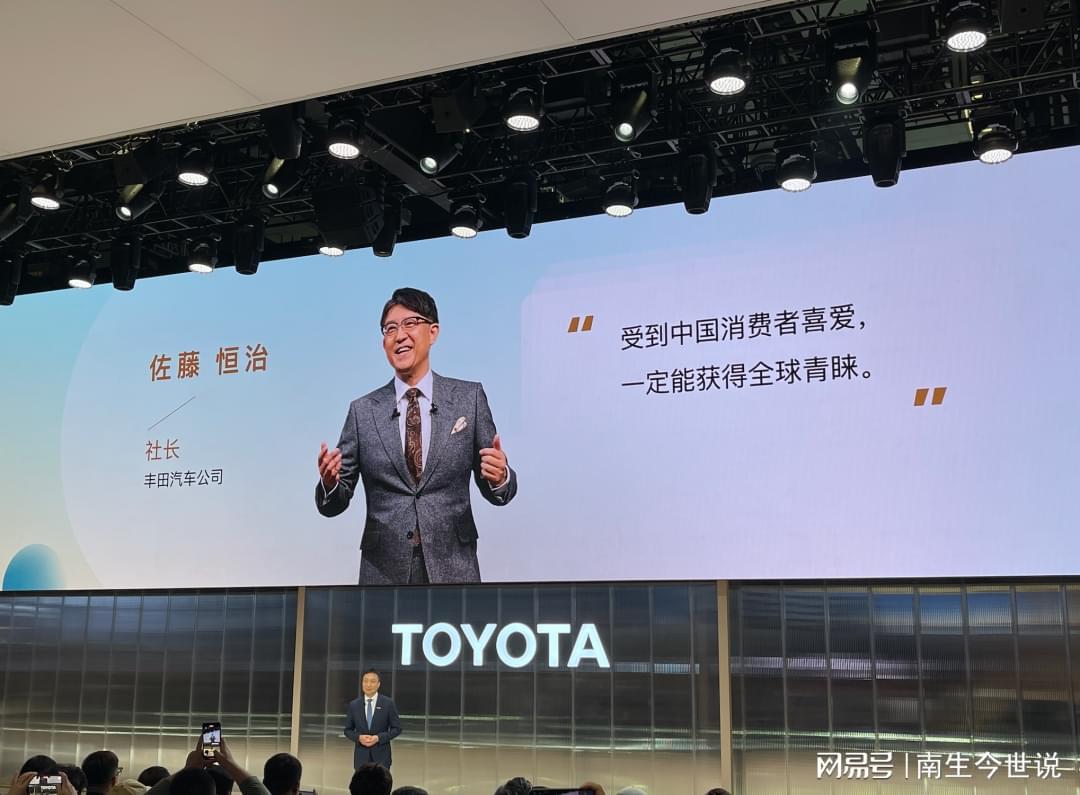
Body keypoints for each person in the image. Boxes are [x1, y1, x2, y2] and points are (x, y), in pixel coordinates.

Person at [315, 287, 518, 585]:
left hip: (453, 568)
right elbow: (335, 501)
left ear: (433, 332)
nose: (400, 336)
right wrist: (330, 484)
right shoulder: (363, 411)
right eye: (390, 329)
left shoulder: (468, 399)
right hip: (383, 573)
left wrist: (500, 478)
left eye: (410, 324)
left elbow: (499, 493)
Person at [344, 669, 401, 770]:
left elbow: (397, 728)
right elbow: (348, 730)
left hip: (382, 758)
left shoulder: (388, 703)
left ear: (378, 684)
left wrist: (378, 738)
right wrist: (359, 738)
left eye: (372, 681)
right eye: (365, 681)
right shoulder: (354, 705)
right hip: (361, 759)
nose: (368, 685)